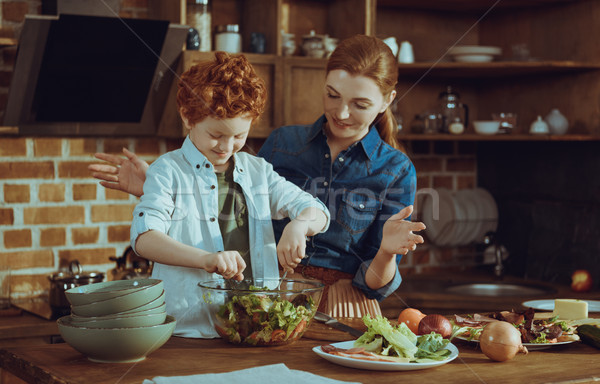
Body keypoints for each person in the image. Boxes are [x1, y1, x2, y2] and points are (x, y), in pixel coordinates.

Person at [89, 35, 425, 319]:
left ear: (387, 101)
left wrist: (384, 252)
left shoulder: (396, 169)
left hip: (346, 306)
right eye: (332, 95)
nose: (341, 113)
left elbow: (373, 279)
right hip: (276, 296)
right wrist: (165, 186)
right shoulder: (282, 144)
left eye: (360, 104)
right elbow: (234, 207)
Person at [127, 52, 329, 338]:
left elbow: (316, 211)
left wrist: (299, 224)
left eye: (238, 136)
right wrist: (204, 259)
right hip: (189, 330)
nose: (227, 146)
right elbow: (144, 239)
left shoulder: (258, 171)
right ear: (188, 117)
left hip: (257, 326)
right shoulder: (168, 170)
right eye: (216, 134)